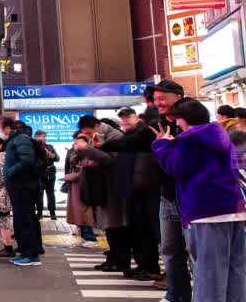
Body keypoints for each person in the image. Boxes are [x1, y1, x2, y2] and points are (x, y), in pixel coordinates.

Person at [101, 79, 191, 300]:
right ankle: (175, 294)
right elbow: (134, 142)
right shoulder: (158, 123)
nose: (157, 103)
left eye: (162, 99)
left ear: (178, 97)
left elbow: (184, 160)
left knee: (197, 254)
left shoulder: (191, 121)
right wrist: (103, 146)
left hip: (190, 197)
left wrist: (165, 145)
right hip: (166, 194)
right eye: (155, 99)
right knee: (170, 250)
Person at [154, 98, 246, 302]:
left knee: (208, 272)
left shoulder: (190, 140)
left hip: (205, 210)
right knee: (235, 270)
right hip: (234, 207)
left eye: (177, 119)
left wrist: (162, 146)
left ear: (184, 119)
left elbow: (177, 168)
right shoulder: (221, 135)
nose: (176, 124)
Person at [113, 107, 162, 281]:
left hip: (143, 191)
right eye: (123, 119)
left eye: (128, 118)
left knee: (145, 231)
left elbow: (142, 166)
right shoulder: (129, 137)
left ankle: (149, 267)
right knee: (137, 231)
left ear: (138, 118)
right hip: (133, 191)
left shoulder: (143, 135)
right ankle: (143, 265)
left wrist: (136, 187)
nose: (125, 122)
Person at [76, 115, 131, 273]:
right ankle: (112, 258)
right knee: (109, 226)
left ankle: (120, 260)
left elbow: (110, 159)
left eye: (88, 132)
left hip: (114, 186)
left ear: (97, 126)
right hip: (103, 186)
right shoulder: (98, 136)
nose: (87, 136)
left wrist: (87, 149)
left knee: (115, 225)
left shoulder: (115, 136)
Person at [0, 117, 45, 266]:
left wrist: (11, 172)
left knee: (24, 220)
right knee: (22, 219)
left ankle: (30, 255)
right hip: (20, 186)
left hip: (23, 186)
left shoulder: (20, 139)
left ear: (7, 127)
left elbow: (27, 160)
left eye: (0, 128)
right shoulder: (16, 140)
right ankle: (27, 252)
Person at [64, 133, 99, 247]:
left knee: (84, 211)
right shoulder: (76, 154)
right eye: (76, 142)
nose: (76, 144)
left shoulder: (89, 154)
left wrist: (69, 177)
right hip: (77, 187)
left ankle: (90, 237)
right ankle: (85, 235)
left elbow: (85, 169)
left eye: (79, 142)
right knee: (80, 212)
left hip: (85, 186)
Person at [33, 130, 60, 220]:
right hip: (40, 174)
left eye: (45, 136)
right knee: (39, 194)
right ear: (36, 137)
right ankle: (39, 212)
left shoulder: (49, 147)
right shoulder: (34, 147)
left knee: (51, 194)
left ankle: (52, 212)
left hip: (51, 173)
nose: (44, 138)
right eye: (42, 136)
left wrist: (51, 155)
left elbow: (57, 158)